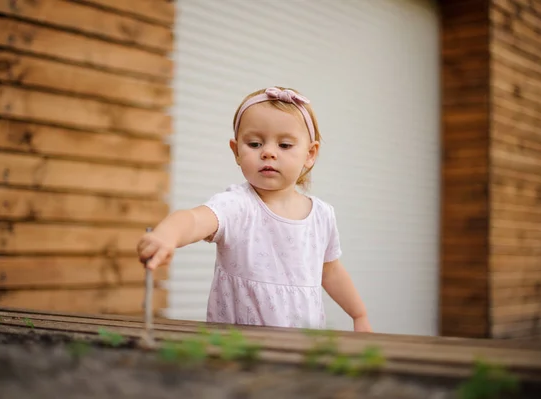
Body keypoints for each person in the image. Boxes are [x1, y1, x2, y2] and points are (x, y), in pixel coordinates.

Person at [136, 86, 372, 332]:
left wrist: (359, 314)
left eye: (285, 145)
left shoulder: (322, 216)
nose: (268, 152)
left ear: (310, 154)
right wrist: (168, 235)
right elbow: (195, 220)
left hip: (303, 348)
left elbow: (330, 271)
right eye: (255, 143)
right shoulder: (237, 205)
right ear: (236, 150)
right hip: (238, 347)